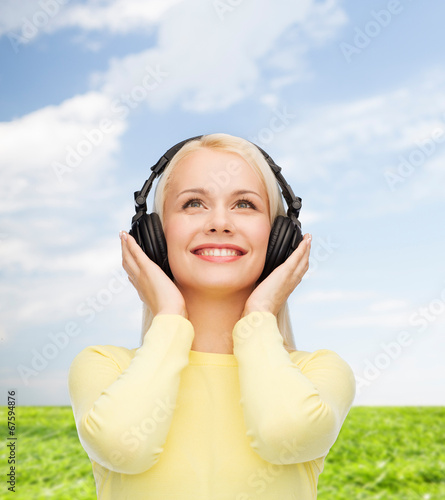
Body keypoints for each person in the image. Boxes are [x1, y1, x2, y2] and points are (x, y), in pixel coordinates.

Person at [68, 133, 356, 500]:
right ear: (153, 236)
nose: (220, 222)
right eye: (193, 203)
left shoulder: (318, 373)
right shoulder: (104, 367)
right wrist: (170, 317)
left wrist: (259, 314)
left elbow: (286, 433)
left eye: (245, 205)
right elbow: (126, 447)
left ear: (280, 239)